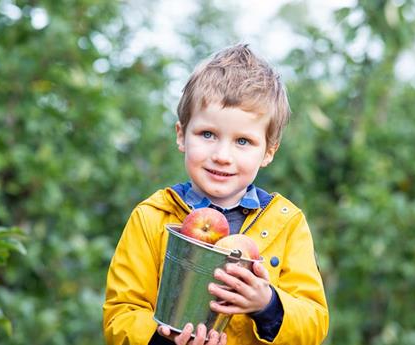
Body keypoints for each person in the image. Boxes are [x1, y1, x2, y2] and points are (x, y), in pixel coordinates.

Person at [103, 44, 329, 345]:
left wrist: (267, 304)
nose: (222, 155)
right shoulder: (153, 217)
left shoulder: (285, 224)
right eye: (208, 134)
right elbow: (121, 313)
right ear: (182, 135)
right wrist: (163, 340)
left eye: (243, 141)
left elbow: (314, 322)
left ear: (268, 152)